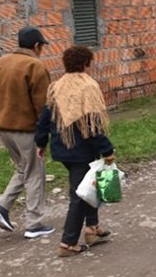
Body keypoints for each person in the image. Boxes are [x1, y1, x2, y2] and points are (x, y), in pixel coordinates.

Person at [35, 45, 115, 257]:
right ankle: (68, 243)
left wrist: (40, 143)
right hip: (81, 149)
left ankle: (92, 228)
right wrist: (107, 149)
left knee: (91, 184)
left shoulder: (56, 86)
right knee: (79, 195)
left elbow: (45, 118)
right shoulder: (87, 86)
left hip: (62, 147)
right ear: (86, 63)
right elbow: (92, 123)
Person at [0, 25, 54, 239]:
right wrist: (45, 135)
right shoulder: (35, 66)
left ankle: (2, 206)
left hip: (3, 129)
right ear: (37, 46)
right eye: (42, 46)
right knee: (34, 172)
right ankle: (34, 223)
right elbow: (44, 106)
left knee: (24, 169)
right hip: (26, 130)